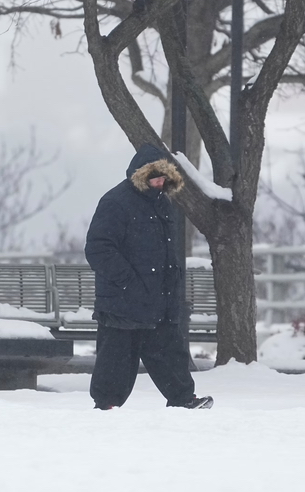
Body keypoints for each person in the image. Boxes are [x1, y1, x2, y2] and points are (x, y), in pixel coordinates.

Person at [84, 143, 213, 410]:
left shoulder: (162, 204)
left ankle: (183, 400)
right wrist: (128, 282)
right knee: (117, 356)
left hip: (158, 299)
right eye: (154, 177)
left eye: (164, 178)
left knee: (168, 351)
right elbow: (98, 249)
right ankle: (106, 407)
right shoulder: (115, 202)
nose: (159, 182)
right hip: (123, 301)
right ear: (140, 175)